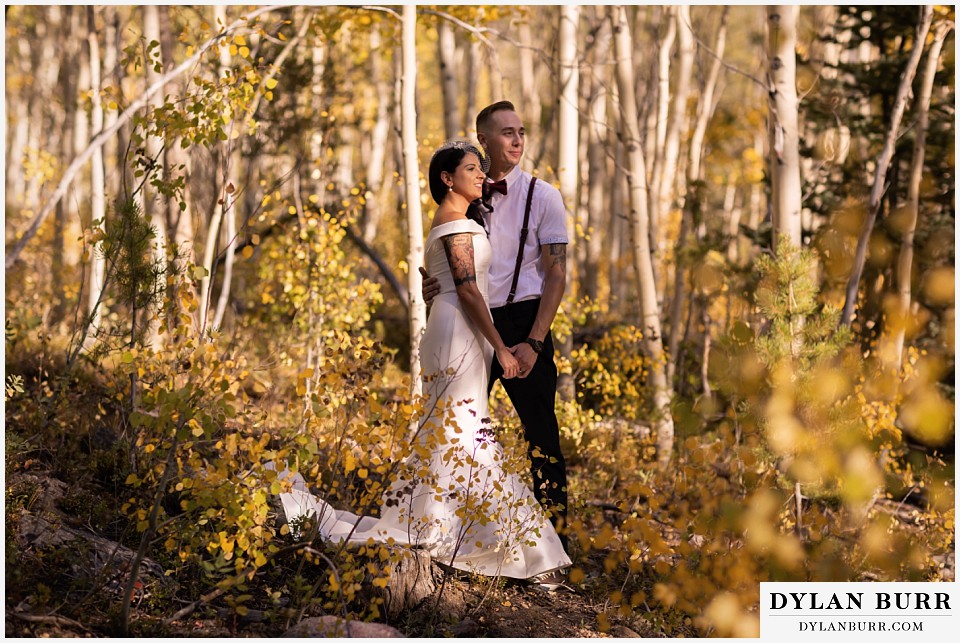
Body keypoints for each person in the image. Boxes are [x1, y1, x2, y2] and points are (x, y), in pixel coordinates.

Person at [278, 140, 571, 588]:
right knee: (464, 431)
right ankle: (515, 547)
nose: (481, 175)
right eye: (472, 169)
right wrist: (503, 347)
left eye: (481, 168)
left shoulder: (463, 220)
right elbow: (470, 290)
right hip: (459, 333)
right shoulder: (454, 224)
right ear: (447, 179)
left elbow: (450, 280)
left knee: (457, 431)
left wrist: (440, 295)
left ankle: (460, 528)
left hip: (461, 330)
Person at [421, 101, 570, 557]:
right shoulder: (467, 197)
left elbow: (557, 274)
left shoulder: (544, 195)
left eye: (521, 131)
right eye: (507, 133)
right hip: (472, 325)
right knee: (457, 426)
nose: (518, 140)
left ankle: (556, 544)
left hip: (526, 322)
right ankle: (457, 531)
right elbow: (454, 265)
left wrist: (533, 342)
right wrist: (436, 287)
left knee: (542, 434)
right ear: (483, 142)